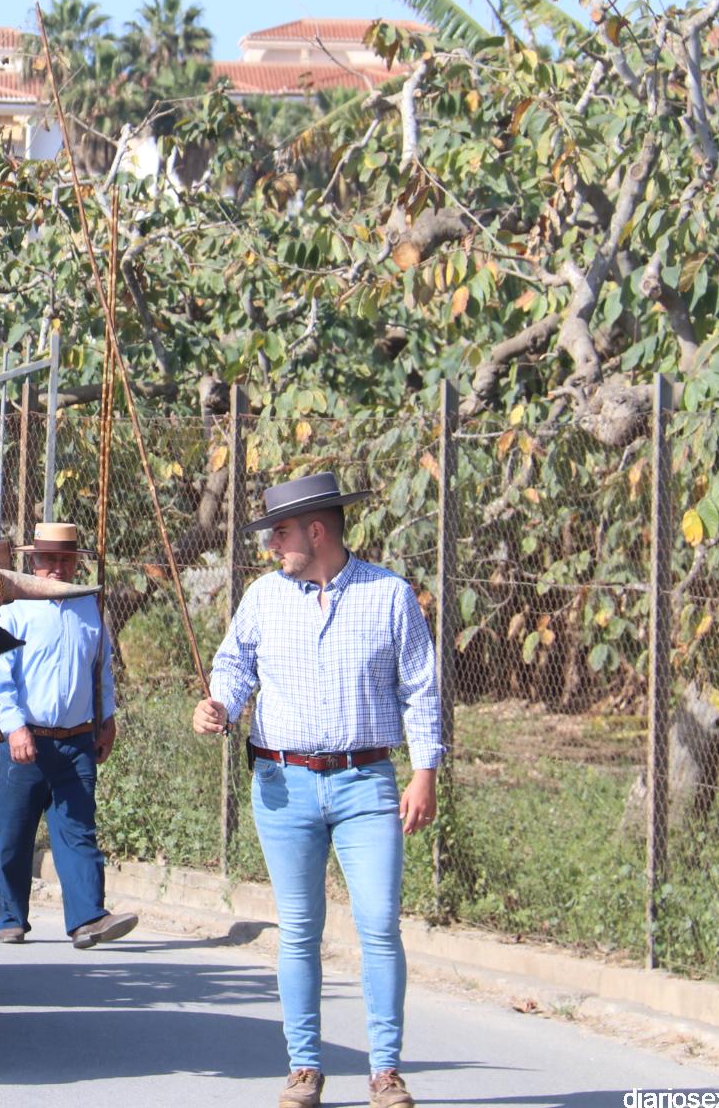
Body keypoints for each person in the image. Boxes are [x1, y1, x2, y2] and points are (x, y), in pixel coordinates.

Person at [193, 472, 444, 1108]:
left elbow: (421, 686)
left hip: (366, 783)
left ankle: (385, 1072)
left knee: (378, 924)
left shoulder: (389, 595)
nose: (272, 545)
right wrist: (219, 704)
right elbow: (234, 663)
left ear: (316, 531)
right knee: (300, 930)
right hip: (284, 784)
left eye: (279, 532)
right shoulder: (262, 597)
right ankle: (304, 1068)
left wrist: (425, 772)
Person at [0, 521, 137, 949]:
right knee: (15, 834)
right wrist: (14, 728)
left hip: (77, 742)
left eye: (65, 560)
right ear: (33, 560)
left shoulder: (88, 606)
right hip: (24, 741)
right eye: (49, 559)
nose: (56, 568)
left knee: (78, 830)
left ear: (75, 563)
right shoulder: (14, 609)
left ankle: (88, 918)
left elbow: (101, 670)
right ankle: (10, 916)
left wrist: (107, 719)